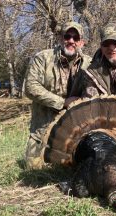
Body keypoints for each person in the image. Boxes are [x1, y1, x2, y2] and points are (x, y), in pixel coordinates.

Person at [23, 21, 92, 169]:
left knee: (81, 170)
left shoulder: (90, 63)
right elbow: (30, 87)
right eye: (67, 36)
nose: (71, 41)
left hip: (76, 132)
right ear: (60, 38)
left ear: (82, 42)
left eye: (75, 38)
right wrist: (62, 102)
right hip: (42, 131)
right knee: (35, 171)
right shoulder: (43, 58)